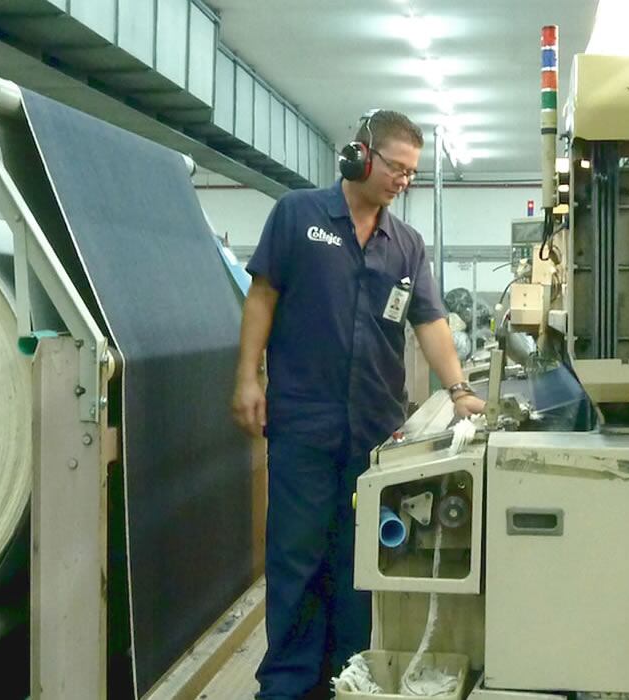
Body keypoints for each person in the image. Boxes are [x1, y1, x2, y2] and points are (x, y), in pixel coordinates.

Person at [231, 109, 485, 700]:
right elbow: (261, 297)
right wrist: (248, 377)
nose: (403, 180)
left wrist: (461, 390)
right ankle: (290, 683)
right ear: (360, 157)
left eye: (412, 173)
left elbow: (431, 320)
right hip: (301, 420)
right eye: (396, 166)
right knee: (296, 555)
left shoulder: (407, 245)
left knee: (361, 563)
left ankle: (352, 674)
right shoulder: (299, 215)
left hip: (375, 430)